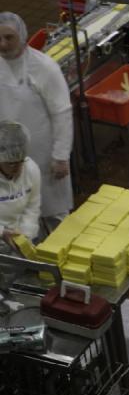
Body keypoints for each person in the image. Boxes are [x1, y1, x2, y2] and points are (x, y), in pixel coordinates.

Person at [0, 12, 73, 233]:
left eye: (9, 37)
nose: (2, 44)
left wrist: (61, 156)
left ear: (22, 36)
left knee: (54, 213)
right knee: (18, 213)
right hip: (6, 155)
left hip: (43, 156)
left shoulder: (44, 68)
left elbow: (62, 112)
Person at [0, 121, 41, 253]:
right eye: (11, 163)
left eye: (20, 161)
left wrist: (26, 235)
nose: (17, 168)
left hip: (16, 235)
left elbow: (32, 206)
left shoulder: (31, 169)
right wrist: (1, 232)